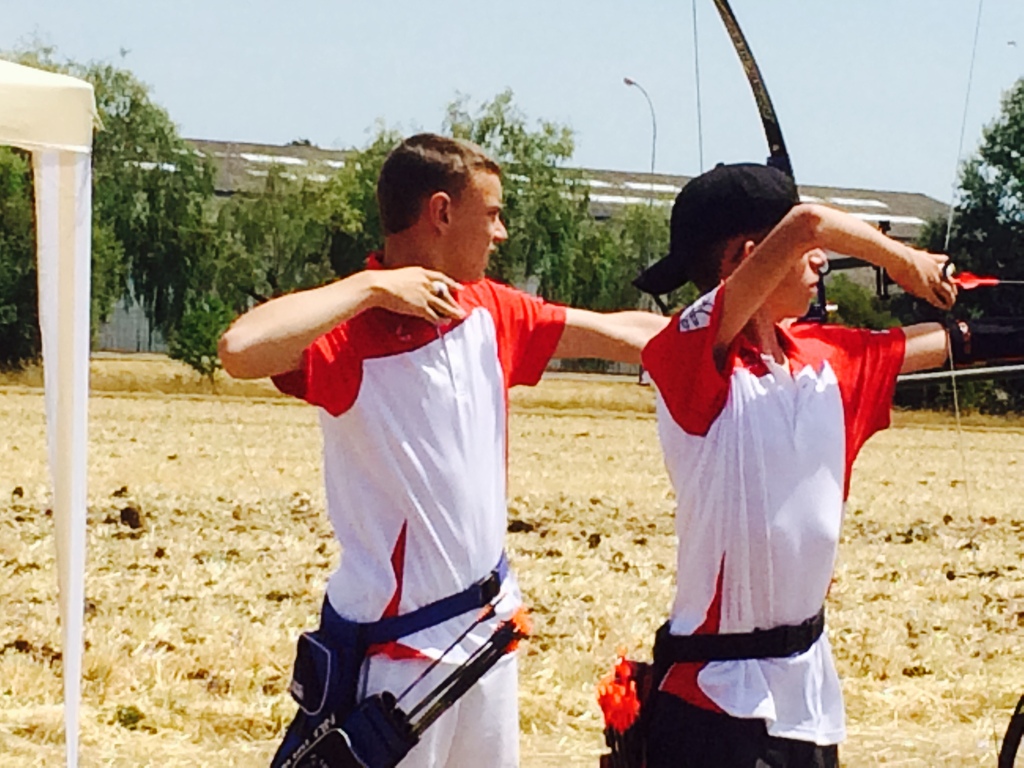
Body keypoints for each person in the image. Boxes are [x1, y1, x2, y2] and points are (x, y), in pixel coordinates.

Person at [218, 133, 668, 768]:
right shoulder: (350, 331)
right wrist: (372, 289)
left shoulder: (488, 309)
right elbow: (240, 349)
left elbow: (621, 331)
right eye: (493, 214)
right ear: (441, 212)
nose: (501, 233)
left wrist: (725, 325)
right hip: (395, 661)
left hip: (486, 640)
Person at [632, 162, 957, 768]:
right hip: (714, 701)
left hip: (807, 697)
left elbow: (947, 340)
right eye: (807, 253)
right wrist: (902, 260)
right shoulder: (687, 356)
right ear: (750, 256)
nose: (821, 262)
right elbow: (809, 223)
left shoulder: (822, 360)